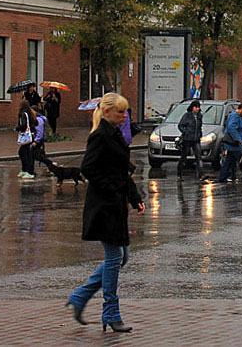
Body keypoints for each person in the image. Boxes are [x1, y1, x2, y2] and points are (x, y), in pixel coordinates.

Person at [66, 93, 145, 333]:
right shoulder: (100, 136)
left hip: (116, 205)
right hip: (104, 206)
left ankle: (80, 296)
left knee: (122, 257)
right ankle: (111, 312)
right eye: (120, 112)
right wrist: (112, 190)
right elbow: (87, 168)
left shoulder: (116, 135)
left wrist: (134, 198)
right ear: (107, 112)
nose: (124, 116)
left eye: (126, 111)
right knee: (114, 258)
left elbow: (123, 171)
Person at [218, 101, 242, 182]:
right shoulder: (235, 116)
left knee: (230, 161)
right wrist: (239, 139)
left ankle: (226, 176)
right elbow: (232, 128)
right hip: (235, 144)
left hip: (232, 144)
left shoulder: (237, 116)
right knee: (241, 160)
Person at [176, 100, 205, 180]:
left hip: (196, 139)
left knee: (198, 156)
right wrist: (186, 132)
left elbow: (200, 126)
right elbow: (180, 125)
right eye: (196, 107)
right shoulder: (187, 115)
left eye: (198, 107)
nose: (197, 109)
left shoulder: (199, 116)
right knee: (184, 157)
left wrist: (200, 134)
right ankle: (179, 174)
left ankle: (201, 175)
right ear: (192, 107)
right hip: (187, 139)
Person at [16, 93, 38, 179]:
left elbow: (24, 125)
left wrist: (17, 128)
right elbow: (35, 123)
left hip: (26, 136)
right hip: (31, 135)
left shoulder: (23, 113)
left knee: (23, 153)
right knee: (25, 152)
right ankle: (26, 170)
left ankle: (28, 171)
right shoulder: (30, 113)